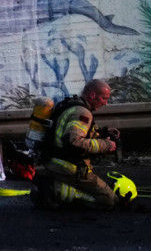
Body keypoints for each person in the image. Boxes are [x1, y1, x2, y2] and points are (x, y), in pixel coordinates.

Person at [31, 78, 120, 209]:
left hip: (54, 162)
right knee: (109, 200)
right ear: (92, 95)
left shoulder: (73, 106)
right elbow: (74, 142)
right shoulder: (82, 113)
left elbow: (78, 132)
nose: (105, 103)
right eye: (103, 98)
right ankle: (54, 190)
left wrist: (103, 133)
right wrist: (106, 145)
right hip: (67, 167)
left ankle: (55, 186)